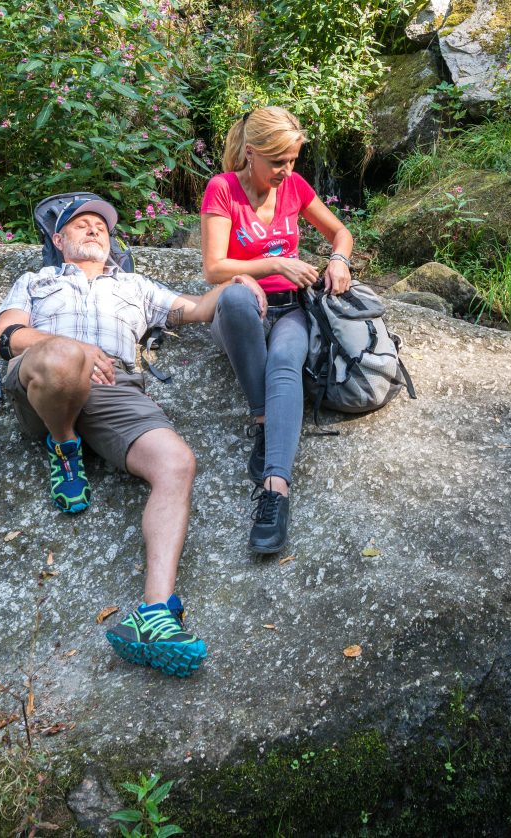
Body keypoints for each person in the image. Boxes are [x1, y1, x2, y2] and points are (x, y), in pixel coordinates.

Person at [0, 196, 266, 677]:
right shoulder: (36, 281)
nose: (95, 230)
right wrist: (74, 347)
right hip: (47, 378)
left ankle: (155, 615)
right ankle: (63, 442)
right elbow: (7, 337)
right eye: (81, 225)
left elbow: (197, 310)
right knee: (61, 361)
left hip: (114, 386)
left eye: (101, 226)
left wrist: (234, 283)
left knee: (177, 463)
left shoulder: (135, 285)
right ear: (58, 241)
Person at [200, 106, 354, 555]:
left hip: (291, 309)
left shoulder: (294, 187)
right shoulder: (223, 189)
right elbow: (214, 268)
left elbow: (339, 232)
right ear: (251, 153)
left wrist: (339, 259)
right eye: (278, 162)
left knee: (286, 362)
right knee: (233, 296)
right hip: (241, 313)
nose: (286, 172)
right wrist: (274, 263)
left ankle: (275, 492)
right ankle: (265, 417)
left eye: (293, 161)